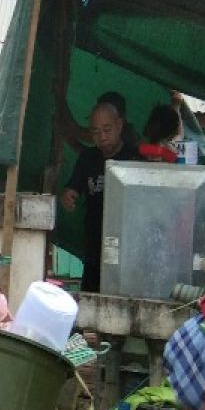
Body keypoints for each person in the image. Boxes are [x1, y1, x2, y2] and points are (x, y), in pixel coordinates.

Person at [60, 100, 139, 293]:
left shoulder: (134, 157)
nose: (102, 137)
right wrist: (68, 196)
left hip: (128, 243)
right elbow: (72, 188)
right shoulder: (88, 158)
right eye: (95, 132)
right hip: (94, 242)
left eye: (107, 129)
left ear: (119, 125)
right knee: (91, 294)